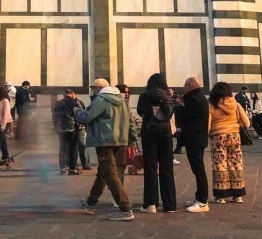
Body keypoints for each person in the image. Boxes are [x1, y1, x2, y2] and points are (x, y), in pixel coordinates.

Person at [77, 77, 134, 220]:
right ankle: (91, 202)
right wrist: (132, 140)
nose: (92, 91)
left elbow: (87, 117)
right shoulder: (123, 100)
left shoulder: (101, 100)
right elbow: (131, 121)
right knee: (103, 172)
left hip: (104, 141)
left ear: (98, 88)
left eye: (93, 89)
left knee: (109, 174)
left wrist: (76, 110)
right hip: (119, 140)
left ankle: (125, 209)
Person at [136, 72, 178, 213]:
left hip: (149, 133)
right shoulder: (167, 95)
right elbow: (171, 113)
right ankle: (170, 205)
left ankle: (151, 204)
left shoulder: (144, 95)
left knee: (151, 168)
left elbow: (140, 111)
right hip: (165, 133)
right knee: (167, 168)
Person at [205, 82, 249, 205]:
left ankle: (221, 196)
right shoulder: (236, 104)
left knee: (220, 165)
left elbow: (207, 124)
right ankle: (238, 195)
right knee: (236, 163)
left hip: (218, 137)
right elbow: (246, 122)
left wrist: (206, 134)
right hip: (234, 136)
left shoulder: (212, 105)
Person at [174, 77, 210, 212]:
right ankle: (199, 197)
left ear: (191, 86)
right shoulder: (199, 97)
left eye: (185, 85)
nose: (184, 87)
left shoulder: (194, 99)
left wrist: (178, 106)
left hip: (195, 139)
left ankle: (202, 201)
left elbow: (185, 116)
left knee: (199, 170)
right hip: (196, 138)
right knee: (197, 169)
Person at [55, 88, 86, 174]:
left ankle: (62, 168)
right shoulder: (75, 102)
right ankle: (72, 169)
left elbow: (55, 116)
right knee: (73, 148)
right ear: (73, 94)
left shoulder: (58, 103)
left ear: (64, 95)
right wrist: (81, 124)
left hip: (61, 128)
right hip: (73, 128)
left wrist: (55, 127)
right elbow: (79, 114)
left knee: (62, 148)